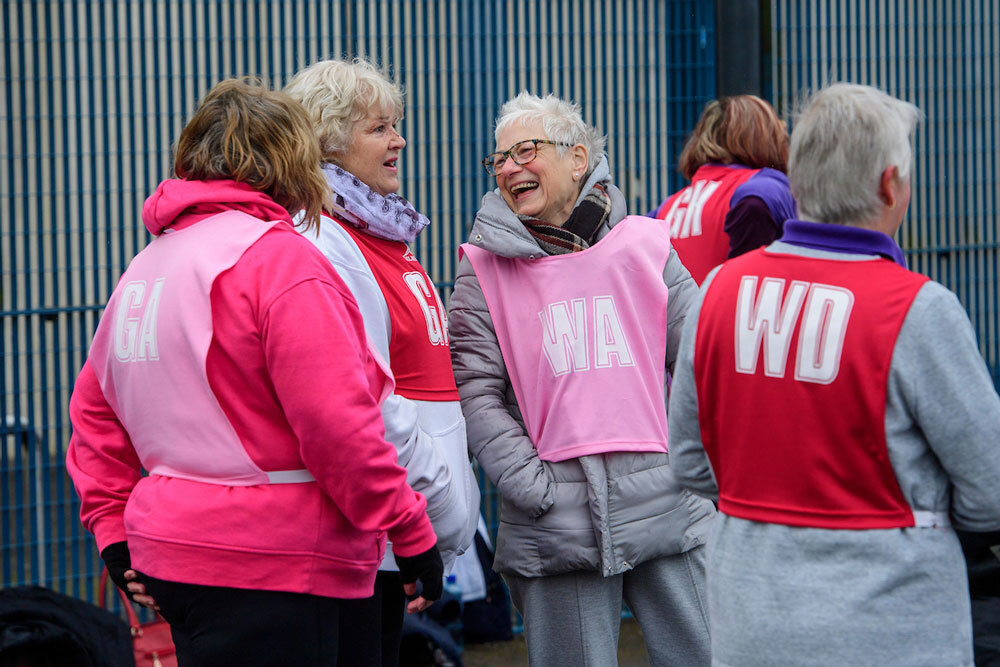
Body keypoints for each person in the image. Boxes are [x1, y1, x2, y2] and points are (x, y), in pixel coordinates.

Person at [65, 78, 444, 666]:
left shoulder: (145, 269)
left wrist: (114, 533)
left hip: (170, 557)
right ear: (292, 159)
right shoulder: (281, 260)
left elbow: (94, 419)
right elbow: (337, 423)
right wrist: (410, 529)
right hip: (280, 566)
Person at [667, 83, 1000, 666]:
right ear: (889, 184)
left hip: (748, 626)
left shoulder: (718, 293)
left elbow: (691, 463)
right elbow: (991, 492)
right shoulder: (919, 310)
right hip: (890, 633)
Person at [448, 92, 716, 667]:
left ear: (577, 158)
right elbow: (474, 389)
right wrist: (530, 484)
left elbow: (700, 356)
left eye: (526, 150)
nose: (510, 167)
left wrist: (685, 459)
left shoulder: (646, 245)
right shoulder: (481, 271)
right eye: (499, 160)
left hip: (667, 503)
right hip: (555, 523)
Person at [284, 58, 479, 667]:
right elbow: (366, 404)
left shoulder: (381, 232)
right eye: (379, 128)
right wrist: (433, 515)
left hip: (403, 537)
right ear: (329, 139)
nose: (399, 141)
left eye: (396, 125)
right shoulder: (325, 241)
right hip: (379, 540)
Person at [650, 95, 795, 284]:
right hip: (731, 310)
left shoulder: (665, 209)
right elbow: (756, 203)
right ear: (765, 138)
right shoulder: (762, 186)